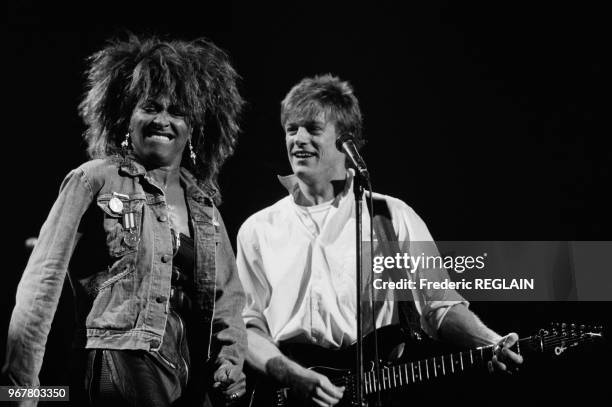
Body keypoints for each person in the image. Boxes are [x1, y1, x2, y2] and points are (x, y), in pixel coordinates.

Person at [236, 74, 523, 406]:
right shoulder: (259, 229)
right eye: (291, 129)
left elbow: (439, 306)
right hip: (291, 396)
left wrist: (491, 342)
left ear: (347, 143)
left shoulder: (391, 216)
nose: (298, 139)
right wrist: (292, 374)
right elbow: (246, 328)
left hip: (379, 390)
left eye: (312, 129)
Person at [3, 35, 247, 406]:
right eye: (150, 107)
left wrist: (230, 364)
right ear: (125, 118)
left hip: (188, 376)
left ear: (194, 128)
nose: (163, 119)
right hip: (121, 361)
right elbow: (41, 287)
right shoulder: (94, 179)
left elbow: (228, 301)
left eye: (177, 111)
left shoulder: (206, 208)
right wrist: (21, 391)